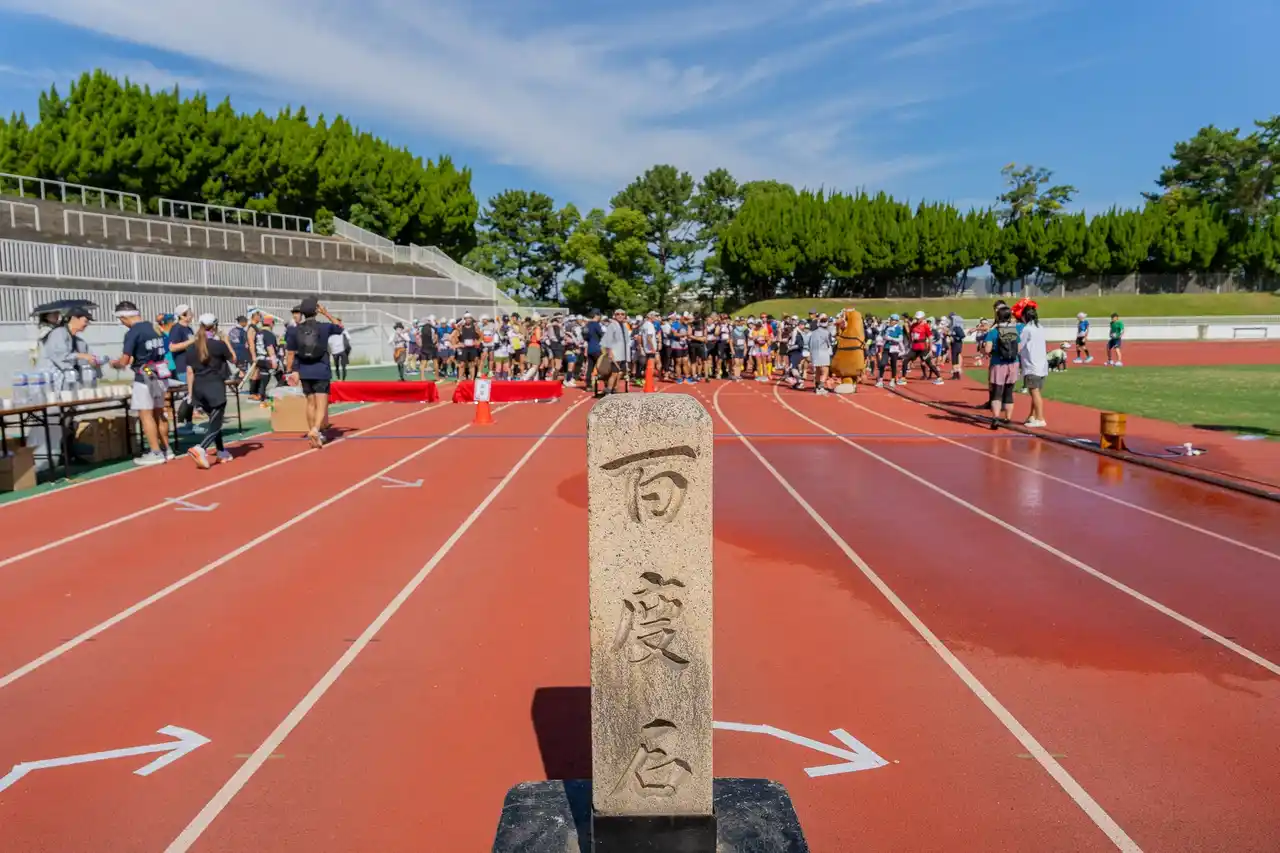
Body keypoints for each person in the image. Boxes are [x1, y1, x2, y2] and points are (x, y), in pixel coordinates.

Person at [110, 300, 172, 465]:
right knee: (160, 413)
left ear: (124, 317)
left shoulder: (133, 333)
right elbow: (164, 350)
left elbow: (124, 360)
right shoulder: (155, 328)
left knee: (146, 415)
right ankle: (167, 449)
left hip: (144, 375)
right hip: (160, 373)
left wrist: (114, 364)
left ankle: (156, 451)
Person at [285, 296, 343, 449]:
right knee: (321, 404)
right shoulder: (324, 327)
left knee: (310, 403)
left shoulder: (293, 330)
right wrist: (327, 313)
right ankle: (316, 430)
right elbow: (339, 327)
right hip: (321, 369)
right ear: (316, 311)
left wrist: (291, 371)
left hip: (304, 370)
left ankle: (312, 430)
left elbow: (291, 353)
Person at [185, 314, 236, 468]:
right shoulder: (218, 345)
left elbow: (189, 372)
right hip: (214, 387)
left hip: (199, 388)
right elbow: (233, 358)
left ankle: (221, 451)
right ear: (215, 326)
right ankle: (201, 448)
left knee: (214, 421)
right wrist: (226, 340)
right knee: (216, 423)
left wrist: (190, 394)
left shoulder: (192, 347)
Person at [37, 306, 103, 390]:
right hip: (54, 383)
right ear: (74, 318)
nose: (87, 324)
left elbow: (85, 362)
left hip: (72, 385)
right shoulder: (58, 333)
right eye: (85, 321)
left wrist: (94, 363)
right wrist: (81, 356)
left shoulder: (80, 342)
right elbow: (61, 357)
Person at [982, 304, 1021, 429]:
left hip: (998, 364)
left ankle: (995, 418)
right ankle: (1008, 418)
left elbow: (987, 349)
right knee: (1009, 392)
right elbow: (1019, 348)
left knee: (997, 392)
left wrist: (986, 350)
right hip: (1013, 363)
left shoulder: (993, 332)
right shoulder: (1014, 331)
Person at [1018, 304, 1049, 428]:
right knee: (1035, 392)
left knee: (1034, 392)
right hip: (1041, 364)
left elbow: (1020, 345)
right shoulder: (1039, 327)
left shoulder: (1027, 329)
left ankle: (1040, 418)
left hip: (1032, 365)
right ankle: (1032, 415)